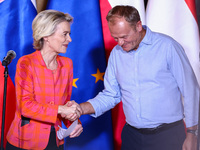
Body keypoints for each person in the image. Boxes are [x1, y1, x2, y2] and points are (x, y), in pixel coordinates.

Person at [69, 5, 199, 150]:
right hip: (132, 137)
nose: (120, 43)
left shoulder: (168, 47)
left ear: (138, 26)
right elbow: (111, 95)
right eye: (115, 38)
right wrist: (80, 108)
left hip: (167, 136)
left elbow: (191, 91)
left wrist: (192, 133)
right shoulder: (116, 54)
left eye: (124, 37)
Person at [6, 10, 83, 150]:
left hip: (55, 141)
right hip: (24, 141)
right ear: (46, 35)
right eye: (65, 34)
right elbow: (25, 107)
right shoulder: (26, 63)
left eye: (69, 34)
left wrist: (74, 121)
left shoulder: (67, 64)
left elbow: (64, 104)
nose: (69, 39)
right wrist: (62, 109)